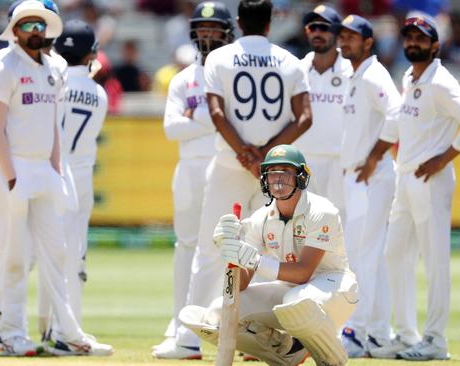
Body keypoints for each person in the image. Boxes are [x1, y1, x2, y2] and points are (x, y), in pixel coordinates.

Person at [162, 0, 312, 359]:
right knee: (272, 251)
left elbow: (215, 112)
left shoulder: (219, 58)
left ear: (240, 21)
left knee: (210, 250)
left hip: (230, 164)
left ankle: (187, 340)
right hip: (276, 171)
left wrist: (245, 153)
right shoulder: (290, 60)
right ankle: (263, 338)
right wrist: (267, 155)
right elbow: (305, 117)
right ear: (270, 22)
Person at [0, 0, 112, 356]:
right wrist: (10, 176)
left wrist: (56, 168)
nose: (34, 31)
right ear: (14, 31)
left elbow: (54, 125)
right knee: (14, 254)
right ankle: (11, 332)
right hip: (17, 167)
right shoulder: (6, 68)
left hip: (45, 169)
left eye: (39, 25)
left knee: (57, 254)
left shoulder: (53, 68)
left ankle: (68, 332)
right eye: (26, 26)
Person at [357, 15, 460, 361]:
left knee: (436, 261)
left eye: (420, 39)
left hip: (431, 179)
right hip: (405, 177)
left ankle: (436, 340)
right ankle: (408, 334)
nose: (412, 43)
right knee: (394, 254)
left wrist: (444, 158)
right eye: (408, 37)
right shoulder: (410, 76)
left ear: (435, 45)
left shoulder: (440, 81)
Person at [180, 144, 357, 366]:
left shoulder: (322, 211)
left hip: (335, 290)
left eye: (285, 171)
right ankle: (285, 353)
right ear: (265, 178)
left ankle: (333, 359)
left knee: (298, 302)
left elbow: (303, 273)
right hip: (290, 291)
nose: (278, 179)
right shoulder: (261, 219)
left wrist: (255, 260)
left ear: (301, 177)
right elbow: (240, 286)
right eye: (273, 173)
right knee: (218, 314)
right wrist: (230, 250)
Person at [151, 0, 233, 359]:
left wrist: (195, 114)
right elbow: (171, 128)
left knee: (232, 248)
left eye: (214, 31)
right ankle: (180, 325)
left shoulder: (232, 72)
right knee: (186, 246)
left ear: (227, 34)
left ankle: (232, 325)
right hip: (188, 169)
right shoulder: (184, 79)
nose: (208, 37)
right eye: (202, 31)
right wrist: (213, 116)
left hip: (226, 165)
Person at [335, 14, 401, 357]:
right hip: (358, 178)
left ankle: (357, 333)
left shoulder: (374, 74)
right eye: (342, 36)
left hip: (371, 177)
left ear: (368, 42)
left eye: (352, 37)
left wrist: (375, 155)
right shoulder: (354, 74)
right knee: (368, 256)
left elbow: (397, 113)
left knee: (364, 256)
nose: (345, 42)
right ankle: (378, 333)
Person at [53, 18, 108, 330]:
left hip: (52, 170)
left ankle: (43, 325)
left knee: (42, 252)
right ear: (91, 53)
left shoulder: (54, 83)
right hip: (81, 175)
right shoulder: (98, 94)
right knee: (74, 254)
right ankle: (70, 326)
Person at [293, 5, 351, 218]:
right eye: (312, 27)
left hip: (340, 163)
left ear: (337, 32)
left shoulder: (352, 71)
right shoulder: (296, 69)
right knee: (304, 228)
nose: (317, 32)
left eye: (323, 27)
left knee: (341, 230)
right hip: (303, 161)